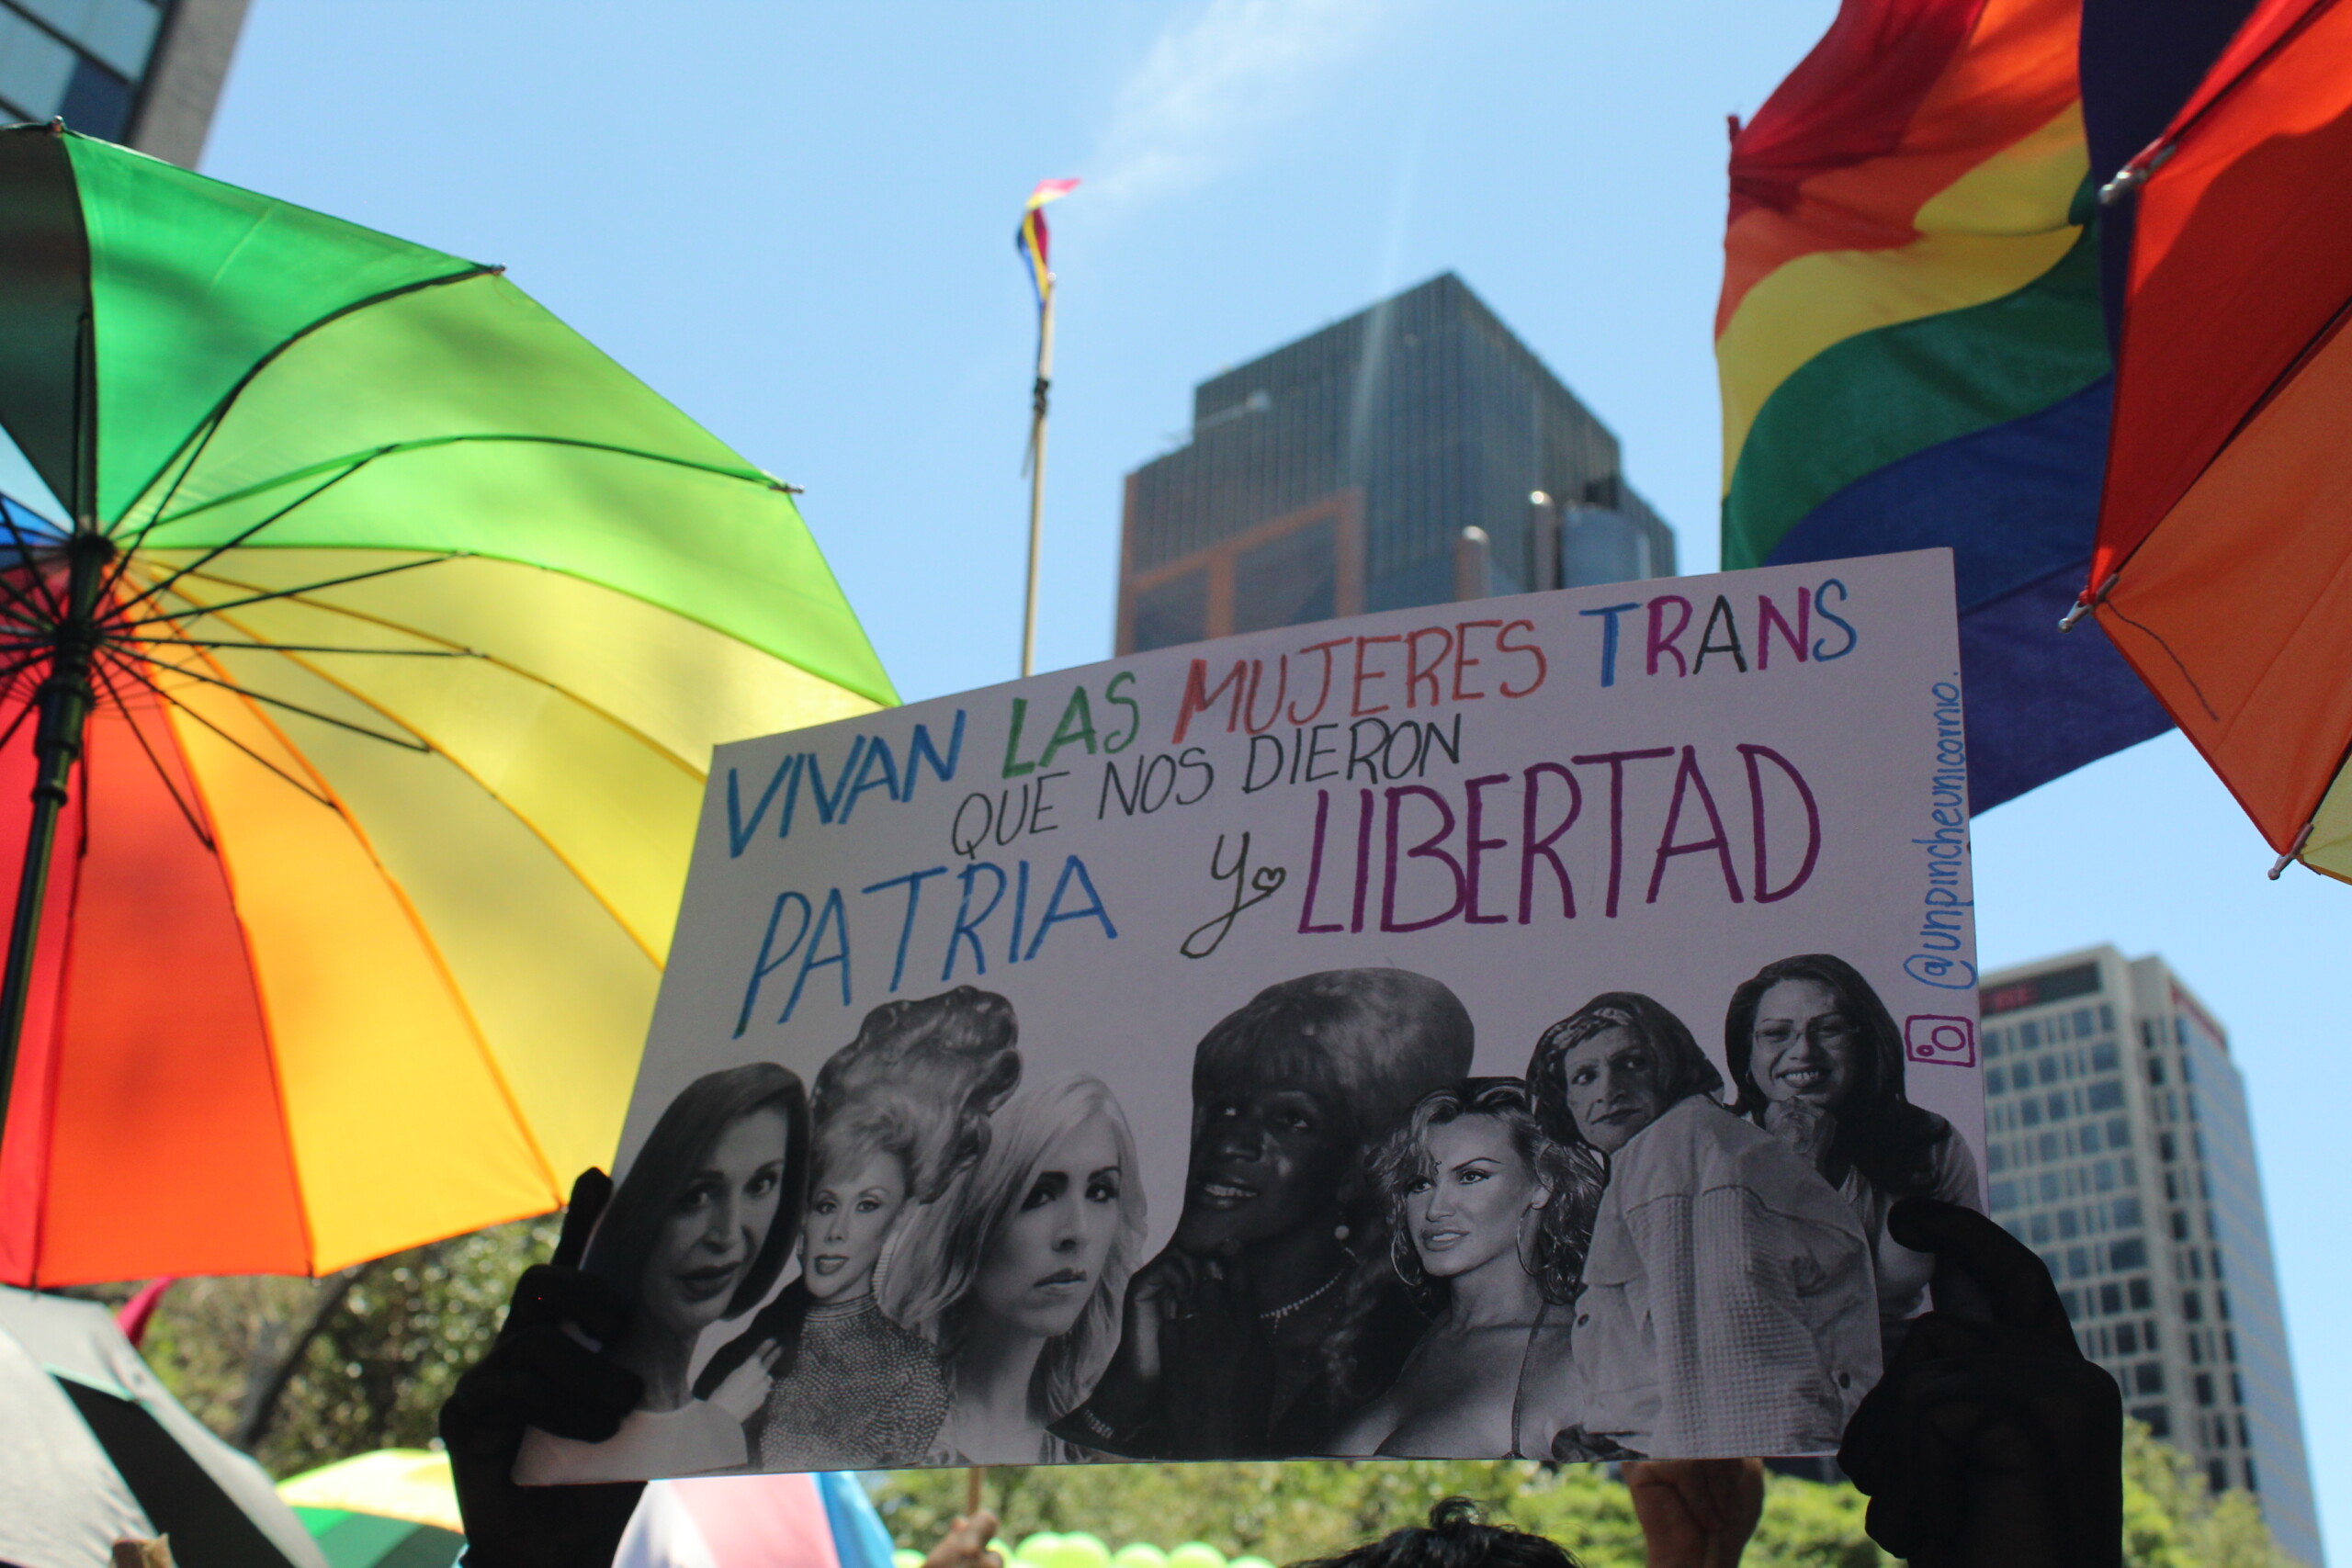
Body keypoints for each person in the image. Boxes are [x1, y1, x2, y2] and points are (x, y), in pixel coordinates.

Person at [1053, 967, 1476, 1459]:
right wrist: (1124, 1390)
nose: (1231, 1143)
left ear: (1357, 1165)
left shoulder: (1404, 1340)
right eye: (1226, 1108)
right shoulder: (1159, 1307)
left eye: (1290, 1119)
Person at [1526, 993, 1877, 1460]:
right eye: (1585, 1077)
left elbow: (1732, 1385)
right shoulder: (1666, 1155)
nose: (1608, 1090)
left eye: (1631, 1064)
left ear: (1669, 1068)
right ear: (1566, 1099)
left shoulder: (1680, 1156)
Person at [695, 987, 1022, 1469]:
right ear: (803, 1214)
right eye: (827, 1205)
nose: (838, 1231)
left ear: (899, 1218)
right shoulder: (744, 1357)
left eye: (867, 1206)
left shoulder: (910, 1376)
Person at [513, 1063, 808, 1483]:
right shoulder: (553, 1438)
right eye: (698, 1195)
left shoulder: (723, 1431)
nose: (726, 1234)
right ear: (648, 1202)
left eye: (761, 1185)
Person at [882, 1074, 1148, 1461]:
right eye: (1039, 1195)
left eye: (1100, 1192)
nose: (1078, 1231)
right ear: (969, 1217)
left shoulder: (1101, 1449)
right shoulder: (873, 1434)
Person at [1724, 954, 1982, 1353]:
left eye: (1828, 1030)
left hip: (1901, 1383)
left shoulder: (1929, 1143)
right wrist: (1796, 1162)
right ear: (1746, 1055)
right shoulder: (1712, 1150)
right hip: (1764, 1383)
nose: (1803, 1052)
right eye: (1776, 1034)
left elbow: (1971, 1308)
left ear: (1865, 1042)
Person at [1327, 1078, 1592, 1459]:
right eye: (1419, 1184)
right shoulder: (1423, 1338)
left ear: (1542, 1184)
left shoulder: (1574, 1358)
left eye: (1471, 1177)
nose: (1435, 1210)